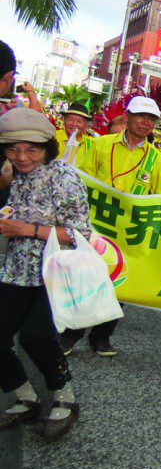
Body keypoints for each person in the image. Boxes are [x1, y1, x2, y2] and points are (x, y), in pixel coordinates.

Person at [60, 96, 161, 358]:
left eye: (151, 119)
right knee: (87, 279)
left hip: (129, 232)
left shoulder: (157, 159)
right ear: (127, 117)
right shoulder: (100, 145)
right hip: (97, 226)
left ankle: (102, 337)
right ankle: (70, 334)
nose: (145, 122)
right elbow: (82, 179)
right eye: (140, 116)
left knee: (121, 283)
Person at [0, 109, 91, 438]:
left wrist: (25, 228)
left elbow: (80, 234)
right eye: (13, 148)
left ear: (47, 147)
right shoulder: (14, 173)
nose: (22, 157)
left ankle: (64, 397)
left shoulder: (65, 177)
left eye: (32, 149)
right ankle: (25, 397)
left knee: (35, 336)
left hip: (55, 270)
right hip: (17, 269)